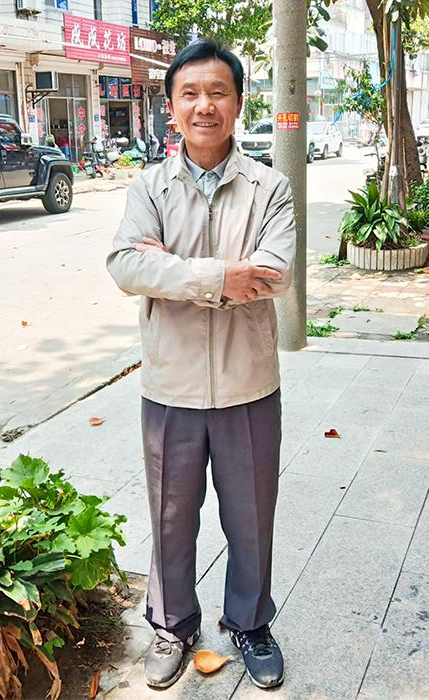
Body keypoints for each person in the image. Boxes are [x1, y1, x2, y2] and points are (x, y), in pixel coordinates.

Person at [106, 39, 296, 690]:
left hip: (249, 385)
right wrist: (218, 276)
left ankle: (250, 622)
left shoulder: (269, 187)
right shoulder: (149, 187)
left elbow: (274, 275)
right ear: (172, 107)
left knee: (251, 518)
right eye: (189, 93)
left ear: (238, 104)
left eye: (218, 92)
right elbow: (126, 266)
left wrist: (173, 270)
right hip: (171, 387)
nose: (204, 105)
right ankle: (173, 624)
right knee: (170, 518)